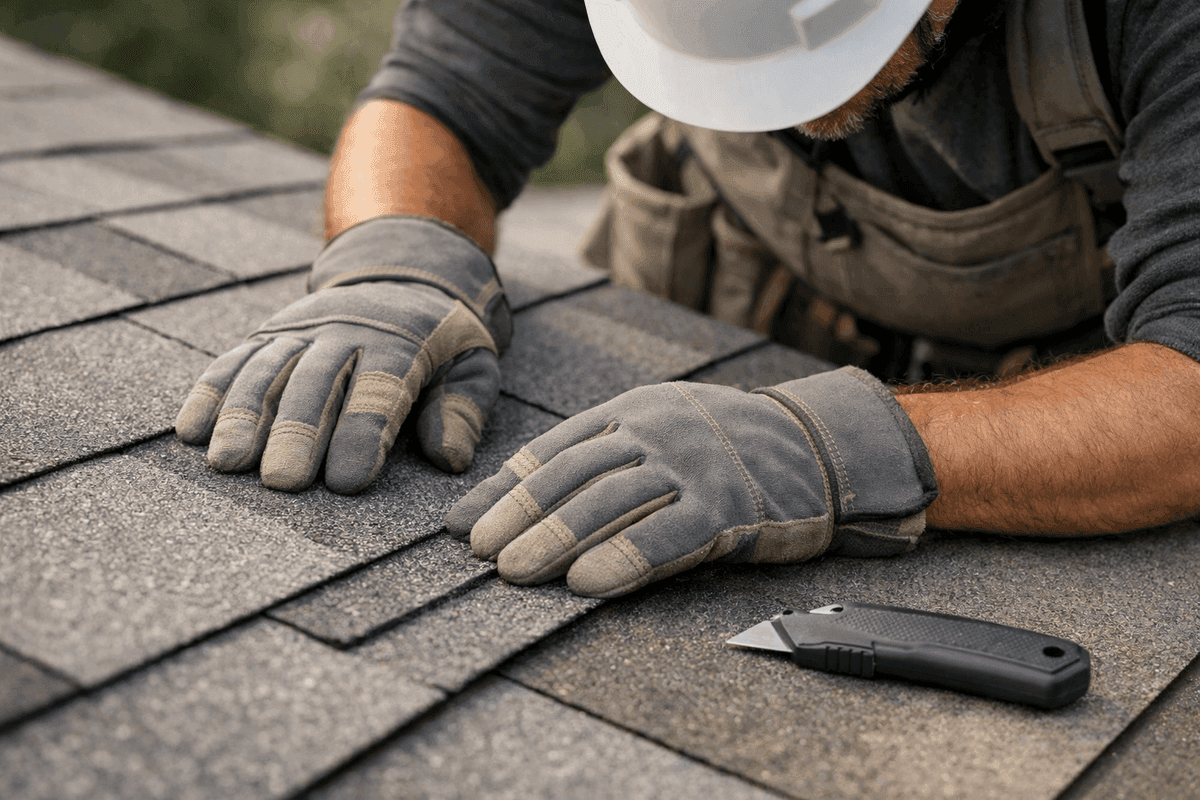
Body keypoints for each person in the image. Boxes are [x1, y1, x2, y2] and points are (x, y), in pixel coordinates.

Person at [175, 0, 1200, 599]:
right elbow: (441, 94)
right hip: (746, 286)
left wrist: (840, 449)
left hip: (1076, 394)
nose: (793, 111)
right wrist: (395, 255)